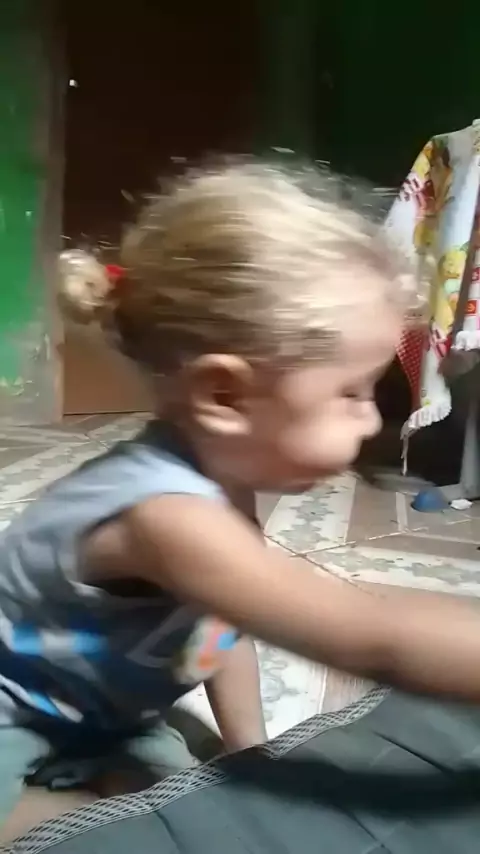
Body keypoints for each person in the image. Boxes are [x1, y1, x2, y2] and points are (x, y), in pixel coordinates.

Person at [0, 159, 479, 826]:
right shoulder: (165, 517)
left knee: (190, 798)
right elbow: (371, 636)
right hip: (12, 706)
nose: (372, 420)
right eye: (351, 392)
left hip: (105, 713)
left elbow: (221, 630)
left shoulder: (223, 486)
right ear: (224, 395)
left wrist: (251, 752)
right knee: (119, 825)